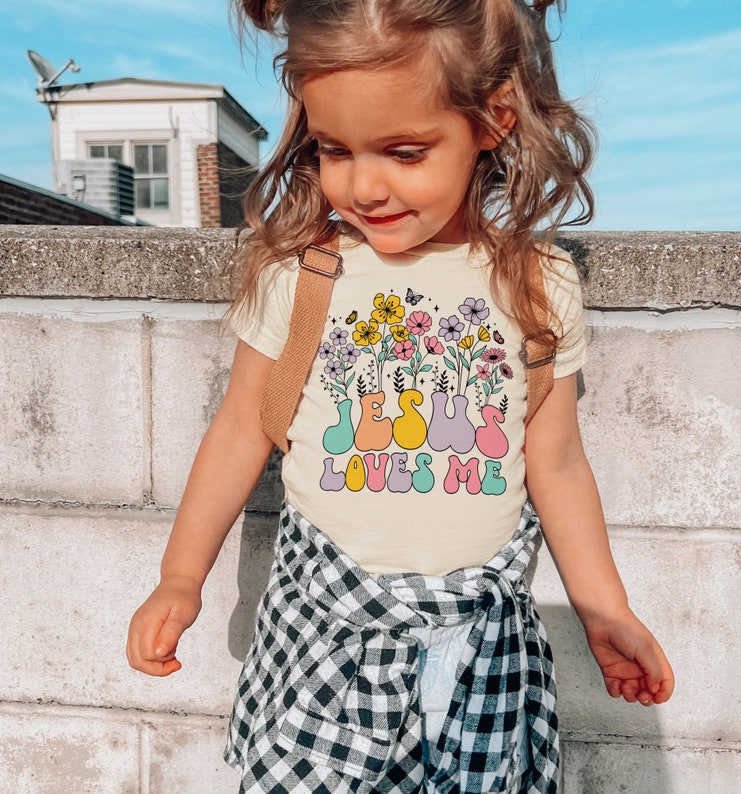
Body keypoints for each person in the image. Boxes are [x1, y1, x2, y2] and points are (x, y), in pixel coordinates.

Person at [127, 1, 674, 791]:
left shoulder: (538, 286)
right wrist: (181, 577)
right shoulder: (302, 276)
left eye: (405, 151)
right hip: (322, 637)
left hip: (479, 651)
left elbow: (554, 466)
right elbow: (241, 428)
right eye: (335, 150)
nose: (366, 184)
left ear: (492, 122)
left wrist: (605, 612)